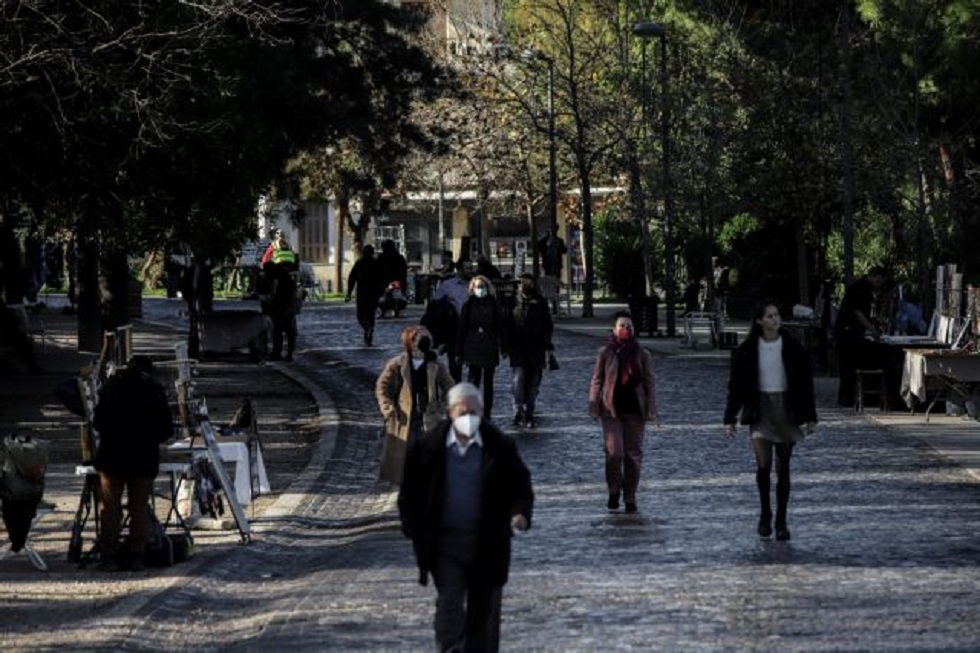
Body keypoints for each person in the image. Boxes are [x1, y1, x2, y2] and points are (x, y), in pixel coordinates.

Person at [398, 382, 534, 652]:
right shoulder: (429, 447)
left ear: (482, 413)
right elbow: (410, 492)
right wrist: (413, 527)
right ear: (450, 413)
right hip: (444, 544)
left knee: (481, 611)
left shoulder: (499, 446)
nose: (468, 419)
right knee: (449, 601)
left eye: (474, 412)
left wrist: (519, 513)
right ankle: (449, 648)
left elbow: (520, 485)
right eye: (463, 413)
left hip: (486, 542)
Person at [724, 300, 817, 541]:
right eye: (770, 316)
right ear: (759, 321)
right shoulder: (747, 350)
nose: (775, 319)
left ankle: (781, 520)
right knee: (763, 465)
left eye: (777, 315)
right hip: (761, 408)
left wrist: (810, 416)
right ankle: (765, 512)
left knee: (783, 467)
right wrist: (730, 416)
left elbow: (806, 383)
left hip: (786, 407)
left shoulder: (793, 347)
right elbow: (736, 385)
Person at [92, 355, 173, 570]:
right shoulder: (155, 390)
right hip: (143, 458)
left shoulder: (111, 387)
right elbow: (166, 430)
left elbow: (98, 422)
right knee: (138, 508)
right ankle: (136, 555)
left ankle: (109, 554)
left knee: (110, 507)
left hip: (112, 457)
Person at [588, 310, 657, 514]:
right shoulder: (606, 353)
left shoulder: (642, 354)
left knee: (633, 455)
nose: (626, 329)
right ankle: (614, 489)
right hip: (611, 410)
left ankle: (630, 496)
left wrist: (652, 407)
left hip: (635, 411)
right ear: (614, 329)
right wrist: (593, 405)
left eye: (629, 326)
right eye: (622, 326)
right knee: (614, 452)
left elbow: (650, 382)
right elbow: (597, 379)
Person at [375, 325, 455, 485]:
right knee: (406, 449)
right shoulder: (397, 364)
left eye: (428, 337)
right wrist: (387, 407)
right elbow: (381, 386)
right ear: (410, 342)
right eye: (420, 337)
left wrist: (449, 405)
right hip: (404, 416)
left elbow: (450, 386)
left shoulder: (435, 364)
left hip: (429, 414)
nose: (425, 340)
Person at [501, 273, 554, 429]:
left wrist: (547, 344)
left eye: (528, 283)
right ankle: (519, 409)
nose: (525, 286)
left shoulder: (540, 302)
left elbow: (547, 325)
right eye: (522, 283)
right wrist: (505, 346)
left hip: (536, 348)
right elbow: (506, 325)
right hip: (517, 348)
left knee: (533, 382)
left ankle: (529, 409)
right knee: (518, 379)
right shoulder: (512, 302)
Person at [834, 266, 887, 407]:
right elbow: (858, 312)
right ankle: (847, 399)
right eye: (878, 281)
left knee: (846, 366)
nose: (878, 285)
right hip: (848, 332)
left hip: (847, 331)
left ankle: (846, 398)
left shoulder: (859, 287)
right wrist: (872, 329)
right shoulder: (863, 289)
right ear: (874, 276)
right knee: (849, 365)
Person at [456, 274, 502, 421]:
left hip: (489, 347)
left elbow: (499, 326)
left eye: (482, 287)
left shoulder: (493, 305)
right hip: (472, 347)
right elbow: (461, 329)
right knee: (473, 380)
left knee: (489, 383)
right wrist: (459, 351)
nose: (480, 289)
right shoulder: (468, 305)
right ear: (472, 289)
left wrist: (503, 346)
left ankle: (487, 413)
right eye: (477, 287)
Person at [263, 237, 300, 361]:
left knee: (278, 330)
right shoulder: (290, 253)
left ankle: (277, 353)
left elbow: (271, 291)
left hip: (280, 305)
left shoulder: (273, 270)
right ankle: (288, 355)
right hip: (290, 304)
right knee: (290, 331)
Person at [346, 245, 382, 346]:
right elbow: (383, 278)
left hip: (362, 293)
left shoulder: (360, 263)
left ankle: (367, 328)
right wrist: (380, 292)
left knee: (361, 315)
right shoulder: (376, 264)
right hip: (373, 294)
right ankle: (369, 329)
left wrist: (349, 292)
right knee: (371, 315)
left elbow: (352, 278)